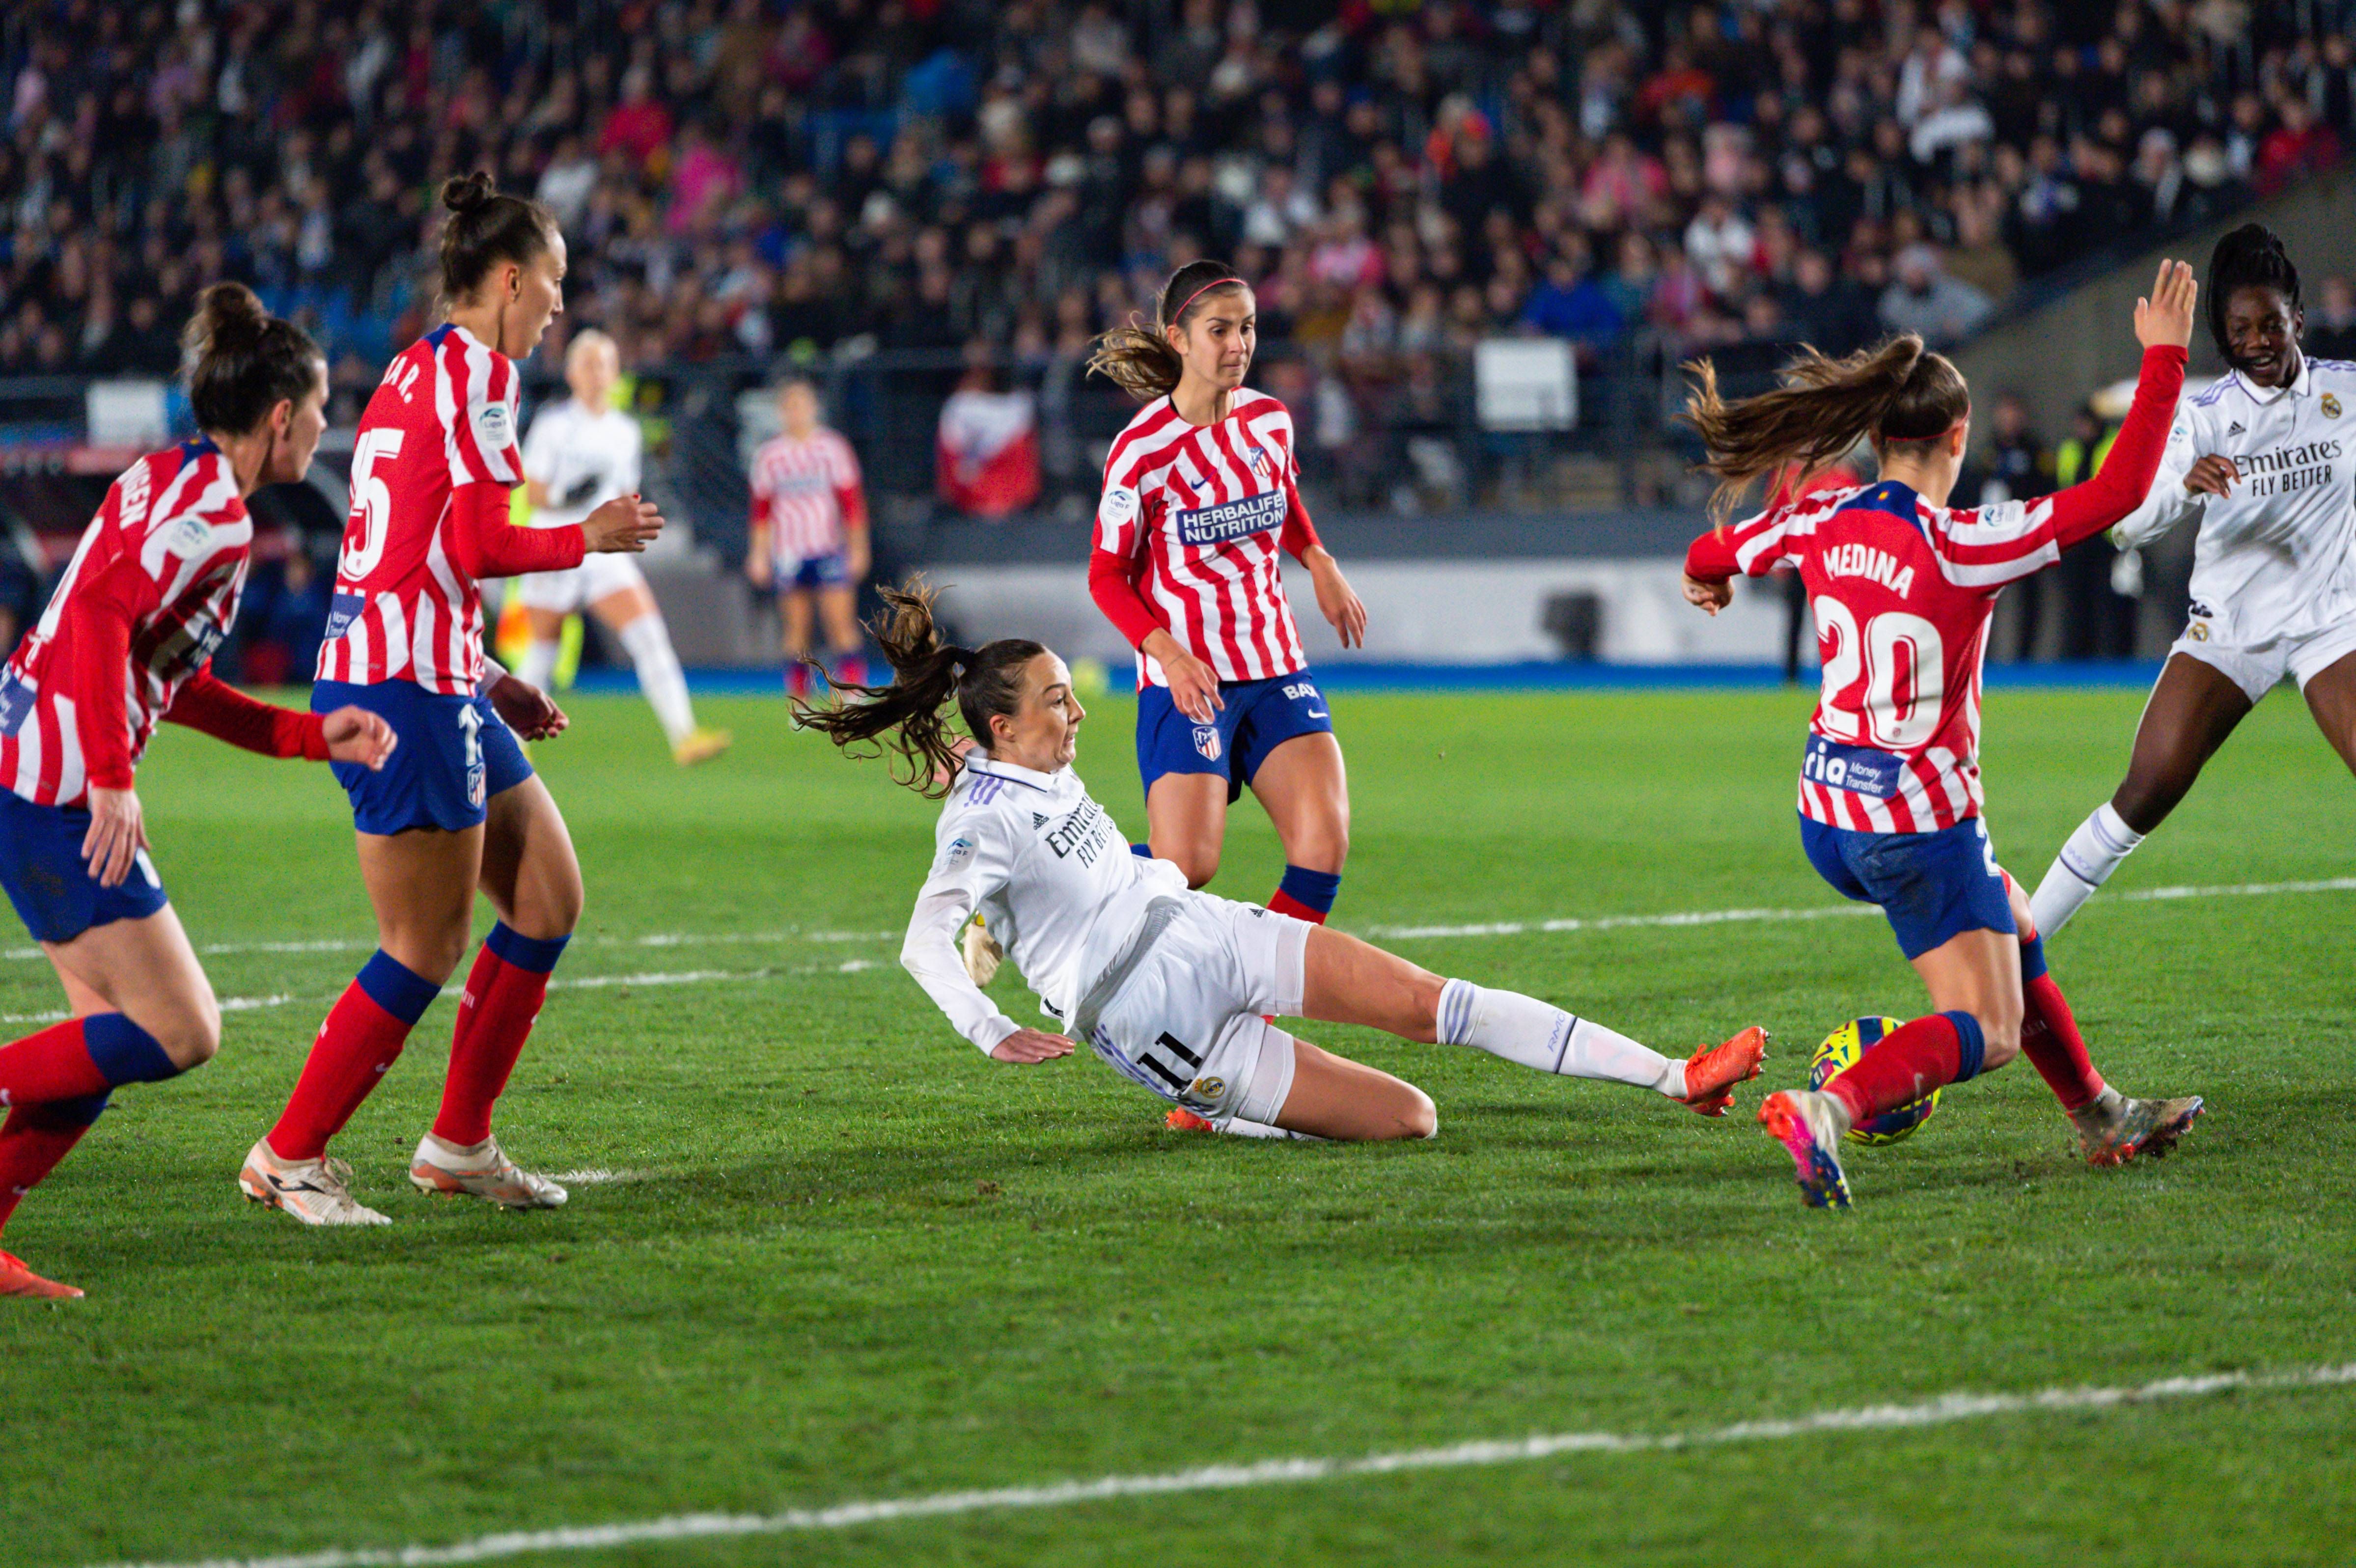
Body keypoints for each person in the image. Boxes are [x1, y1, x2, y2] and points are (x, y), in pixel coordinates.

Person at [801, 583, 1769, 1140]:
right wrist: (984, 1025)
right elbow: (923, 940)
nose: (1078, 711)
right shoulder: (979, 819)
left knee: (1432, 1003)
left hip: (1202, 929)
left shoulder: (1022, 767)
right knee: (1410, 1119)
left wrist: (1013, 929)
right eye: (1058, 699)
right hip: (1147, 1018)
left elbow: (1046, 860)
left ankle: (1673, 1077)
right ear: (1008, 724)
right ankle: (1217, 1108)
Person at [1678, 259, 2208, 1210]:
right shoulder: (1965, 544)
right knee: (1986, 1027)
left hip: (1823, 814)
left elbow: (1712, 549)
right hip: (1913, 825)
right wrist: (2163, 356)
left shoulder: (1817, 517)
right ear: (1954, 436)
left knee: (2011, 916)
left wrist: (1709, 577)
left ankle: (2098, 1113)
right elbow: (2122, 488)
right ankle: (1828, 1111)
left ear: (1877, 434)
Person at [241, 173, 663, 1226]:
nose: (562, 307)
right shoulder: (478, 370)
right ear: (511, 279)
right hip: (401, 690)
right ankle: (288, 1155)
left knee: (547, 897)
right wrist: (587, 538)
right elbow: (476, 543)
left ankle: (459, 1143)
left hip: (430, 671)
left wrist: (481, 672)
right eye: (556, 284)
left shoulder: (412, 366)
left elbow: (407, 550)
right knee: (421, 945)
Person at [0, 284, 397, 1296]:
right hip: (53, 784)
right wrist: (110, 780)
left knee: (97, 1046)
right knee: (181, 1029)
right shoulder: (215, 517)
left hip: (30, 766)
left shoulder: (172, 476)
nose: (325, 426)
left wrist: (314, 738)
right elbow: (91, 615)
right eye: (318, 412)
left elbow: (162, 675)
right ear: (280, 417)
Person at [2031, 225, 2356, 937]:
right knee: (2144, 794)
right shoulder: (2203, 418)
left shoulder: (2347, 395)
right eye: (2241, 329)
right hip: (2231, 631)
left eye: (2272, 322)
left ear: (2298, 319)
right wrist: (2180, 485)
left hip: (2332, 625)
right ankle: (2018, 957)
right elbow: (2125, 525)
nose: (2260, 340)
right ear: (2224, 339)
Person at [1081, 259, 1369, 983]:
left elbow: (1280, 499)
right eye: (1220, 330)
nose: (1238, 344)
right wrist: (1169, 656)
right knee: (1188, 864)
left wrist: (1318, 558)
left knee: (1321, 848)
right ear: (1179, 339)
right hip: (1191, 678)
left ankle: (1250, 1017)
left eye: (1246, 328)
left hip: (1275, 665)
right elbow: (1106, 574)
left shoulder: (1271, 420)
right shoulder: (1142, 451)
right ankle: (1045, 884)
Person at [512, 330, 728, 766]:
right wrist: (569, 497)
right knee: (542, 653)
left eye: (604, 364)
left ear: (615, 372)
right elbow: (534, 492)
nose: (597, 373)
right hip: (558, 543)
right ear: (572, 372)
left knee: (649, 636)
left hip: (604, 554)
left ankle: (685, 736)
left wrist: (630, 526)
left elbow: (626, 493)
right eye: (588, 364)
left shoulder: (625, 431)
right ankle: (510, 744)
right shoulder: (555, 425)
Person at [746, 379, 869, 698]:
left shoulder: (832, 448)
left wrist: (858, 548)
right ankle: (800, 698)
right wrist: (759, 555)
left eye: (802, 405)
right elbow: (762, 512)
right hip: (789, 551)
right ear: (781, 412)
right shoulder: (770, 456)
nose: (796, 413)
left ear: (815, 408)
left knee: (840, 624)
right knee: (796, 629)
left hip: (827, 547)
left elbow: (852, 504)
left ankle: (852, 692)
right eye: (790, 406)